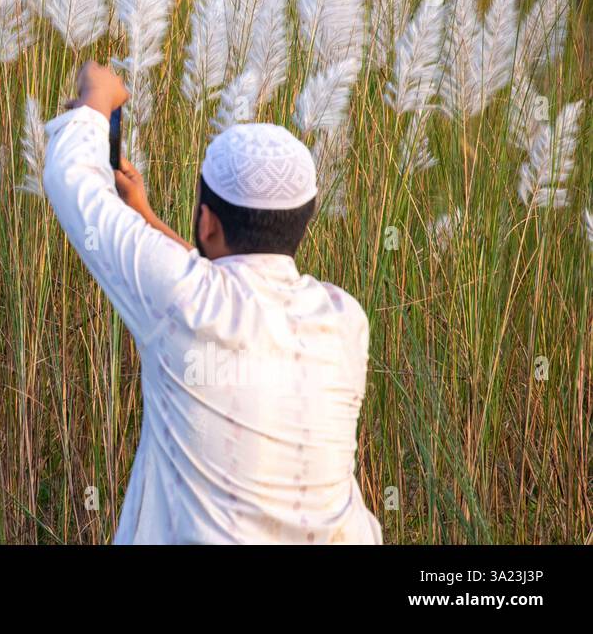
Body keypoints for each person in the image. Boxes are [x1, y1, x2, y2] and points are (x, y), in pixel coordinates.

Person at [42, 62, 381, 544]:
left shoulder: (184, 298)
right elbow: (234, 295)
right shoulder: (345, 319)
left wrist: (96, 99)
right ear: (302, 222)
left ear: (207, 224)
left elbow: (71, 181)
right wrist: (147, 219)